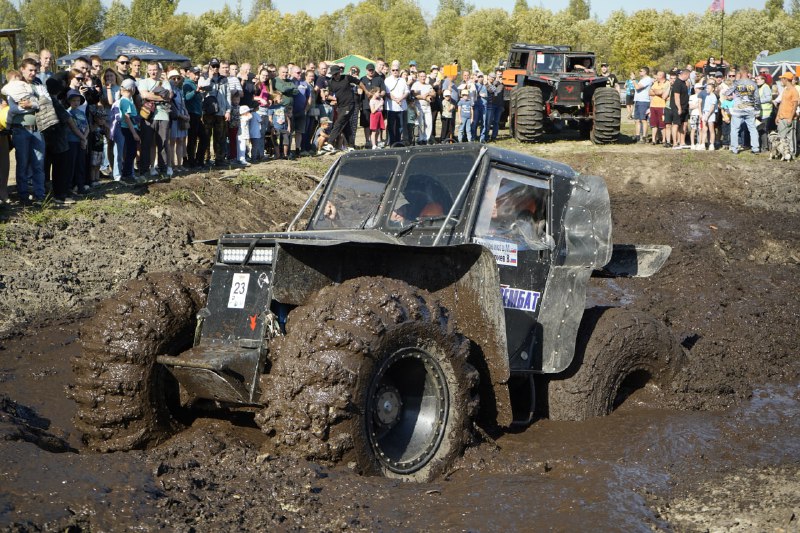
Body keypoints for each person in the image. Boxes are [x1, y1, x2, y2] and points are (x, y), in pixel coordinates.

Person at [7, 58, 47, 205]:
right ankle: (23, 196)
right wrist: (34, 105)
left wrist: (33, 104)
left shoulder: (38, 85)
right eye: (30, 70)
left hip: (38, 129)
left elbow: (46, 102)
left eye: (35, 70)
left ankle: (39, 195)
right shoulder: (15, 86)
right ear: (22, 69)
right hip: (20, 129)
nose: (33, 73)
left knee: (38, 164)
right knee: (22, 164)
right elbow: (12, 107)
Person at [137, 62, 173, 177]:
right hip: (148, 116)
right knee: (146, 144)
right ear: (147, 70)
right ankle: (144, 170)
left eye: (155, 70)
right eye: (151, 70)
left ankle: (163, 168)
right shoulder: (143, 82)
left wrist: (153, 95)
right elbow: (144, 95)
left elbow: (170, 96)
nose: (153, 72)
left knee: (162, 143)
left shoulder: (165, 82)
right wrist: (161, 97)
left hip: (163, 116)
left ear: (159, 70)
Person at [325, 64, 367, 151]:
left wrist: (366, 91)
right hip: (340, 106)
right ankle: (351, 146)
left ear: (339, 72)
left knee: (339, 122)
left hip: (350, 104)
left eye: (336, 74)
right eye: (333, 75)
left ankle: (330, 143)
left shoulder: (347, 78)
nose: (335, 76)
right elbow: (329, 95)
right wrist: (330, 98)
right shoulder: (331, 82)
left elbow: (359, 82)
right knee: (346, 126)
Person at [198, 58, 231, 166]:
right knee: (206, 136)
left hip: (220, 111)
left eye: (217, 66)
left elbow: (228, 95)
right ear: (209, 66)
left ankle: (219, 159)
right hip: (208, 111)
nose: (215, 68)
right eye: (213, 66)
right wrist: (210, 78)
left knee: (220, 137)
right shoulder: (204, 76)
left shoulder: (224, 79)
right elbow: (202, 88)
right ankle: (205, 159)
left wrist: (228, 110)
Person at [725, 66, 760, 155]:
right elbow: (757, 98)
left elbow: (727, 92)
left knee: (735, 129)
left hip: (738, 109)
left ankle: (734, 148)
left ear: (740, 74)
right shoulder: (753, 83)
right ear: (748, 73)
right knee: (752, 128)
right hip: (750, 108)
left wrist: (732, 94)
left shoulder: (737, 83)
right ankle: (755, 148)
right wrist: (757, 110)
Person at [117, 78, 142, 183]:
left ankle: (128, 174)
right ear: (132, 89)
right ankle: (126, 175)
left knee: (131, 152)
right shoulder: (125, 101)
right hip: (128, 129)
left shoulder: (128, 100)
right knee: (131, 152)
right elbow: (127, 118)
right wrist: (134, 133)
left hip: (131, 128)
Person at [774, 71, 798, 159]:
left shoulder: (794, 91)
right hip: (782, 117)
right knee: (781, 136)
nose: (781, 80)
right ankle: (783, 153)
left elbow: (795, 105)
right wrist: (777, 116)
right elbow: (782, 104)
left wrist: (791, 118)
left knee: (790, 137)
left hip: (789, 118)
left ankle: (792, 153)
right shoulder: (785, 90)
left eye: (782, 79)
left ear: (786, 79)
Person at [384, 60, 409, 146]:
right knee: (391, 126)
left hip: (401, 107)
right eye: (393, 70)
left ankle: (398, 141)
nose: (395, 71)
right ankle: (392, 142)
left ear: (399, 70)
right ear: (391, 71)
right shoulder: (387, 80)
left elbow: (406, 91)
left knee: (400, 125)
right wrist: (396, 100)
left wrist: (400, 99)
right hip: (391, 107)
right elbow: (387, 93)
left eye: (396, 70)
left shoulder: (402, 80)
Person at [670, 69, 690, 149]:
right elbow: (676, 97)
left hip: (685, 107)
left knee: (684, 124)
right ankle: (675, 143)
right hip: (677, 107)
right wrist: (679, 108)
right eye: (688, 76)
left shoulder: (684, 83)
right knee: (676, 124)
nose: (688, 78)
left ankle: (682, 142)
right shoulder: (677, 83)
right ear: (685, 75)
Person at [648, 70, 669, 145]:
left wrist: (656, 91)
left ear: (662, 76)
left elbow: (660, 92)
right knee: (654, 124)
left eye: (658, 75)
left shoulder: (667, 83)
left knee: (662, 124)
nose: (657, 76)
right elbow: (649, 92)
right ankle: (654, 140)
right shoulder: (655, 83)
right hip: (653, 106)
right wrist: (657, 91)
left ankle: (664, 140)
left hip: (662, 106)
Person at [633, 66, 653, 142]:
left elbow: (637, 87)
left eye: (641, 71)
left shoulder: (648, 79)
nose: (639, 72)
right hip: (638, 100)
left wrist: (634, 80)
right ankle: (638, 136)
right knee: (637, 120)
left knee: (643, 120)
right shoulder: (642, 79)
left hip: (644, 101)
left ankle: (644, 137)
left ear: (645, 72)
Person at [701, 79, 719, 150]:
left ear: (713, 89)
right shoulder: (707, 96)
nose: (706, 89)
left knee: (711, 129)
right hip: (705, 113)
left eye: (708, 88)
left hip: (710, 114)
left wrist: (708, 115)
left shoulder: (713, 96)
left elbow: (712, 107)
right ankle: (702, 144)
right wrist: (704, 114)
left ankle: (712, 144)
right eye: (706, 88)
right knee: (704, 129)